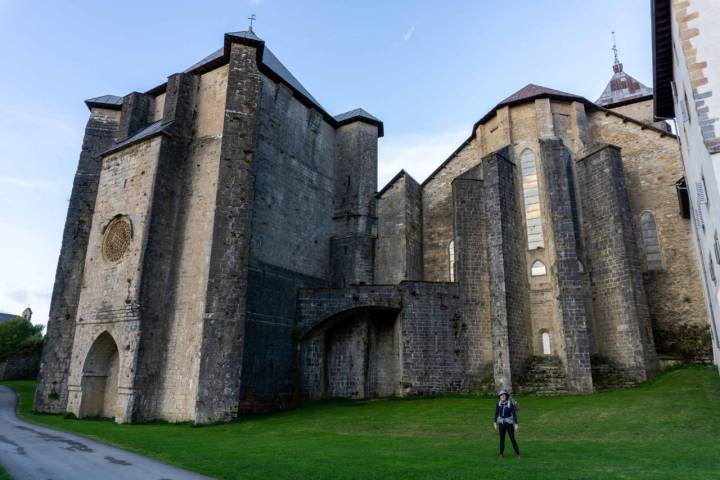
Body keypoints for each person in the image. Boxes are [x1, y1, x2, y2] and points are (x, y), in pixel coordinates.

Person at [493, 388, 520, 459]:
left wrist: (516, 424)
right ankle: (501, 454)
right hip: (501, 424)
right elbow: (496, 413)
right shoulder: (498, 403)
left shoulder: (510, 403)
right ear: (499, 397)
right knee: (502, 439)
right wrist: (495, 422)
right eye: (501, 395)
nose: (502, 397)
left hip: (509, 423)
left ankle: (518, 454)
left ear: (506, 396)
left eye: (504, 395)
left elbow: (514, 414)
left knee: (512, 439)